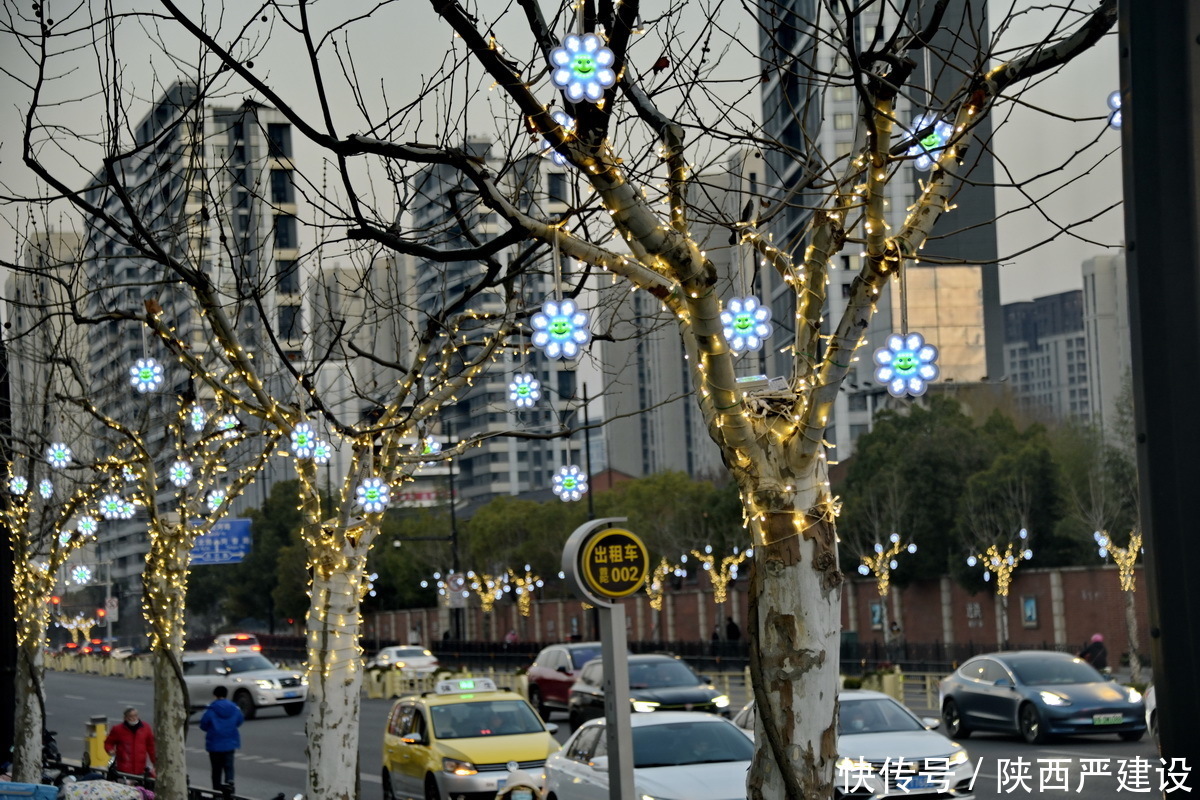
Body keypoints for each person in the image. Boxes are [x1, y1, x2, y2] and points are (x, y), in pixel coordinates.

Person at [200, 686, 244, 790]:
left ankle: (217, 791)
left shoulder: (211, 708)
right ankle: (229, 787)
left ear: (215, 695)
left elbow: (203, 724)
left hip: (214, 743)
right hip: (230, 742)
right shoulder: (234, 707)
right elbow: (240, 720)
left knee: (216, 769)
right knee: (229, 767)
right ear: (226, 694)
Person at [104, 707, 156, 776]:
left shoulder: (146, 728)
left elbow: (151, 747)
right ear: (125, 718)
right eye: (131, 716)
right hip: (123, 768)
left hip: (140, 769)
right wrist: (110, 750)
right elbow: (108, 743)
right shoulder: (117, 729)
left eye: (136, 715)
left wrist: (155, 762)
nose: (134, 718)